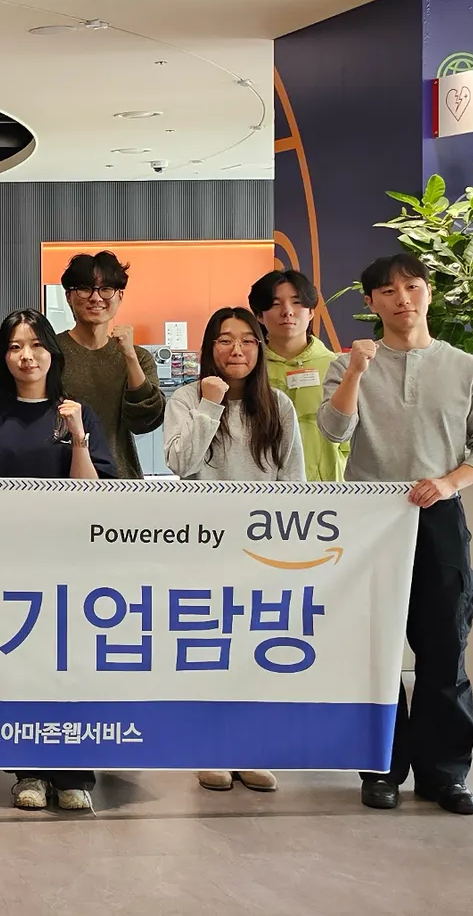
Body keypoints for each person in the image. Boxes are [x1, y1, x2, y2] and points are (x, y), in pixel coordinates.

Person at [319, 253, 473, 816]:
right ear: (371, 302)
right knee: (373, 652)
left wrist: (450, 482)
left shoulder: (467, 368)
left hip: (437, 516)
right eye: (388, 291)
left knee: (445, 648)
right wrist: (356, 372)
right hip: (368, 521)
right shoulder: (348, 362)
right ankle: (381, 770)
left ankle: (445, 775)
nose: (402, 298)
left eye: (412, 286)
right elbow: (334, 430)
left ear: (429, 292)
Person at [0, 309, 114, 811]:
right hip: (8, 568)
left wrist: (78, 436)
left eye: (36, 345)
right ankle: (29, 774)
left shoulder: (77, 413)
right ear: (3, 357)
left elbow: (94, 494)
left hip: (70, 566)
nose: (27, 356)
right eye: (15, 347)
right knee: (20, 667)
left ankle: (73, 775)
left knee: (70, 668)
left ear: (52, 352)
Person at [164, 307, 306, 795]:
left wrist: (288, 551)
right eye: (225, 340)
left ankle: (251, 749)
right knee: (209, 650)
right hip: (204, 548)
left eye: (247, 340)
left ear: (260, 349)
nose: (236, 350)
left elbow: (293, 480)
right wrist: (210, 404)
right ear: (210, 348)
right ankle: (210, 750)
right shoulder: (186, 398)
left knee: (254, 652)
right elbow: (180, 463)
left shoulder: (278, 405)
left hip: (262, 551)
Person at [55, 251, 165, 479]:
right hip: (61, 477)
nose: (96, 298)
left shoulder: (139, 357)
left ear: (120, 296)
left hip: (120, 478)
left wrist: (129, 356)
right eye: (85, 288)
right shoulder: (51, 352)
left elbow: (146, 421)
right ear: (68, 296)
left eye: (106, 289)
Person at [250, 270, 350, 482]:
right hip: (263, 488)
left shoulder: (337, 367)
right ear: (259, 315)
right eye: (275, 304)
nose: (287, 311)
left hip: (328, 489)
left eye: (297, 303)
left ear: (311, 312)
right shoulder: (250, 368)